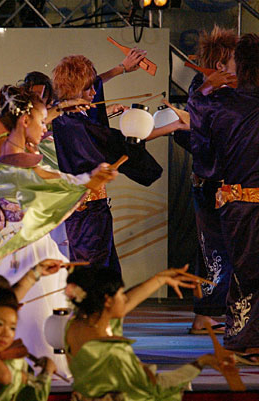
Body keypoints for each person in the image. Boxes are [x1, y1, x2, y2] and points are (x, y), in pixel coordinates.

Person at [0, 85, 117, 374]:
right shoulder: (7, 165)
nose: (45, 127)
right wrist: (87, 181)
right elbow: (45, 184)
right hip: (18, 243)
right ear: (25, 120)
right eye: (41, 122)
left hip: (32, 238)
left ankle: (41, 368)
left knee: (48, 309)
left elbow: (49, 178)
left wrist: (86, 180)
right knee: (28, 312)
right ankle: (25, 368)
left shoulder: (17, 149)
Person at [51, 55, 188, 274]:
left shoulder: (63, 115)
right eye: (88, 89)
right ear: (75, 90)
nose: (94, 92)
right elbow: (122, 142)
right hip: (87, 211)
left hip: (83, 209)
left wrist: (121, 68)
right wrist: (175, 126)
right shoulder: (77, 125)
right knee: (95, 272)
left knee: (100, 269)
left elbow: (93, 95)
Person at [188, 33, 259, 353]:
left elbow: (205, 156)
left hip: (238, 203)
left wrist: (205, 88)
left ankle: (245, 338)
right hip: (240, 203)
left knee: (245, 272)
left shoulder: (221, 105)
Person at [65, 265, 232, 400]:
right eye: (121, 294)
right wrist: (201, 363)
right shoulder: (113, 352)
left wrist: (161, 278)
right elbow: (156, 387)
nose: (125, 298)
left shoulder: (76, 325)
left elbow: (127, 303)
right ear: (107, 301)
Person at [175, 26, 237, 335]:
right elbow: (199, 128)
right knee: (215, 251)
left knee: (223, 250)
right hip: (213, 182)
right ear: (221, 63)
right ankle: (207, 315)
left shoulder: (227, 90)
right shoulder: (202, 91)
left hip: (224, 180)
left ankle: (214, 314)